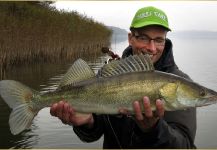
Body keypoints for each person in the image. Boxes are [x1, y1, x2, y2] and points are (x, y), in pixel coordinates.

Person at [50, 6, 196, 148]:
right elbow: (93, 134)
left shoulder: (180, 82)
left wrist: (154, 130)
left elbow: (184, 145)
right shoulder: (109, 74)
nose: (152, 48)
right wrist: (88, 123)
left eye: (159, 40)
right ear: (130, 38)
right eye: (144, 38)